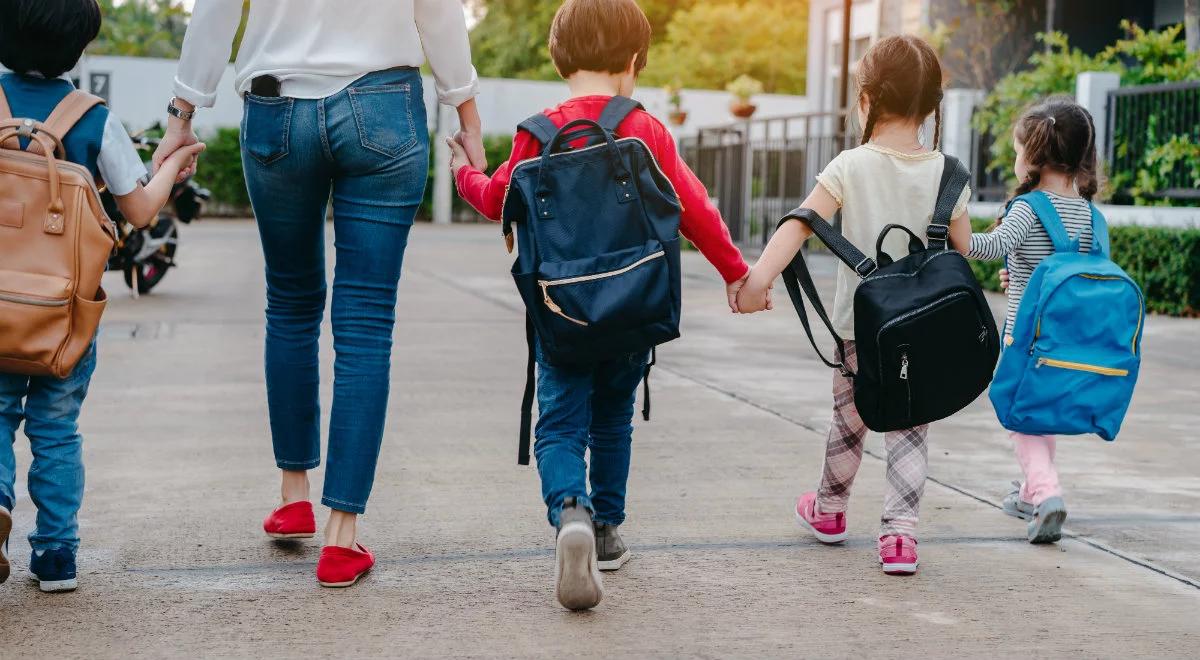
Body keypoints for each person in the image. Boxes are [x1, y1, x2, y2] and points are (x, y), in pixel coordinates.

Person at [157, 0, 483, 588]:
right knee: (364, 323)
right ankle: (341, 537)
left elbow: (215, 11)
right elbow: (437, 11)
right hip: (384, 107)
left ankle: (293, 497)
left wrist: (182, 113)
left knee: (290, 303)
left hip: (277, 106)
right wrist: (466, 111)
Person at [448, 0, 748, 609]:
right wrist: (737, 273)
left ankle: (571, 513)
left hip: (561, 314)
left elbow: (495, 200)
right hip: (634, 309)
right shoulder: (644, 129)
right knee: (613, 418)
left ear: (560, 59)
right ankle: (607, 531)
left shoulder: (538, 132)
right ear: (633, 61)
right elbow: (695, 209)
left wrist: (462, 172)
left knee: (560, 423)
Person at [736, 36, 971, 575]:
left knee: (849, 420)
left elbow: (801, 222)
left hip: (860, 330)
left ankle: (831, 510)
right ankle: (900, 539)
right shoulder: (949, 174)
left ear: (864, 100)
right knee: (911, 425)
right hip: (926, 330)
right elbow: (962, 251)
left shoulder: (849, 164)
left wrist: (758, 280)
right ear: (933, 106)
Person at [0, 0, 205, 593]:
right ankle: (56, 555)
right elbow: (139, 210)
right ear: (78, 49)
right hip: (64, 313)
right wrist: (174, 165)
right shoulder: (92, 118)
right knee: (56, 429)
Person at [965, 97, 1103, 543]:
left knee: (1019, 415)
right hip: (1069, 339)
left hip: (1025, 338)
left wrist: (954, 224)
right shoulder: (1089, 213)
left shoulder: (1027, 208)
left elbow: (987, 248)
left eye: (1017, 148)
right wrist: (1021, 272)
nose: (1015, 157)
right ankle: (1029, 492)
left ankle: (1047, 493)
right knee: (1040, 412)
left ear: (1034, 155)